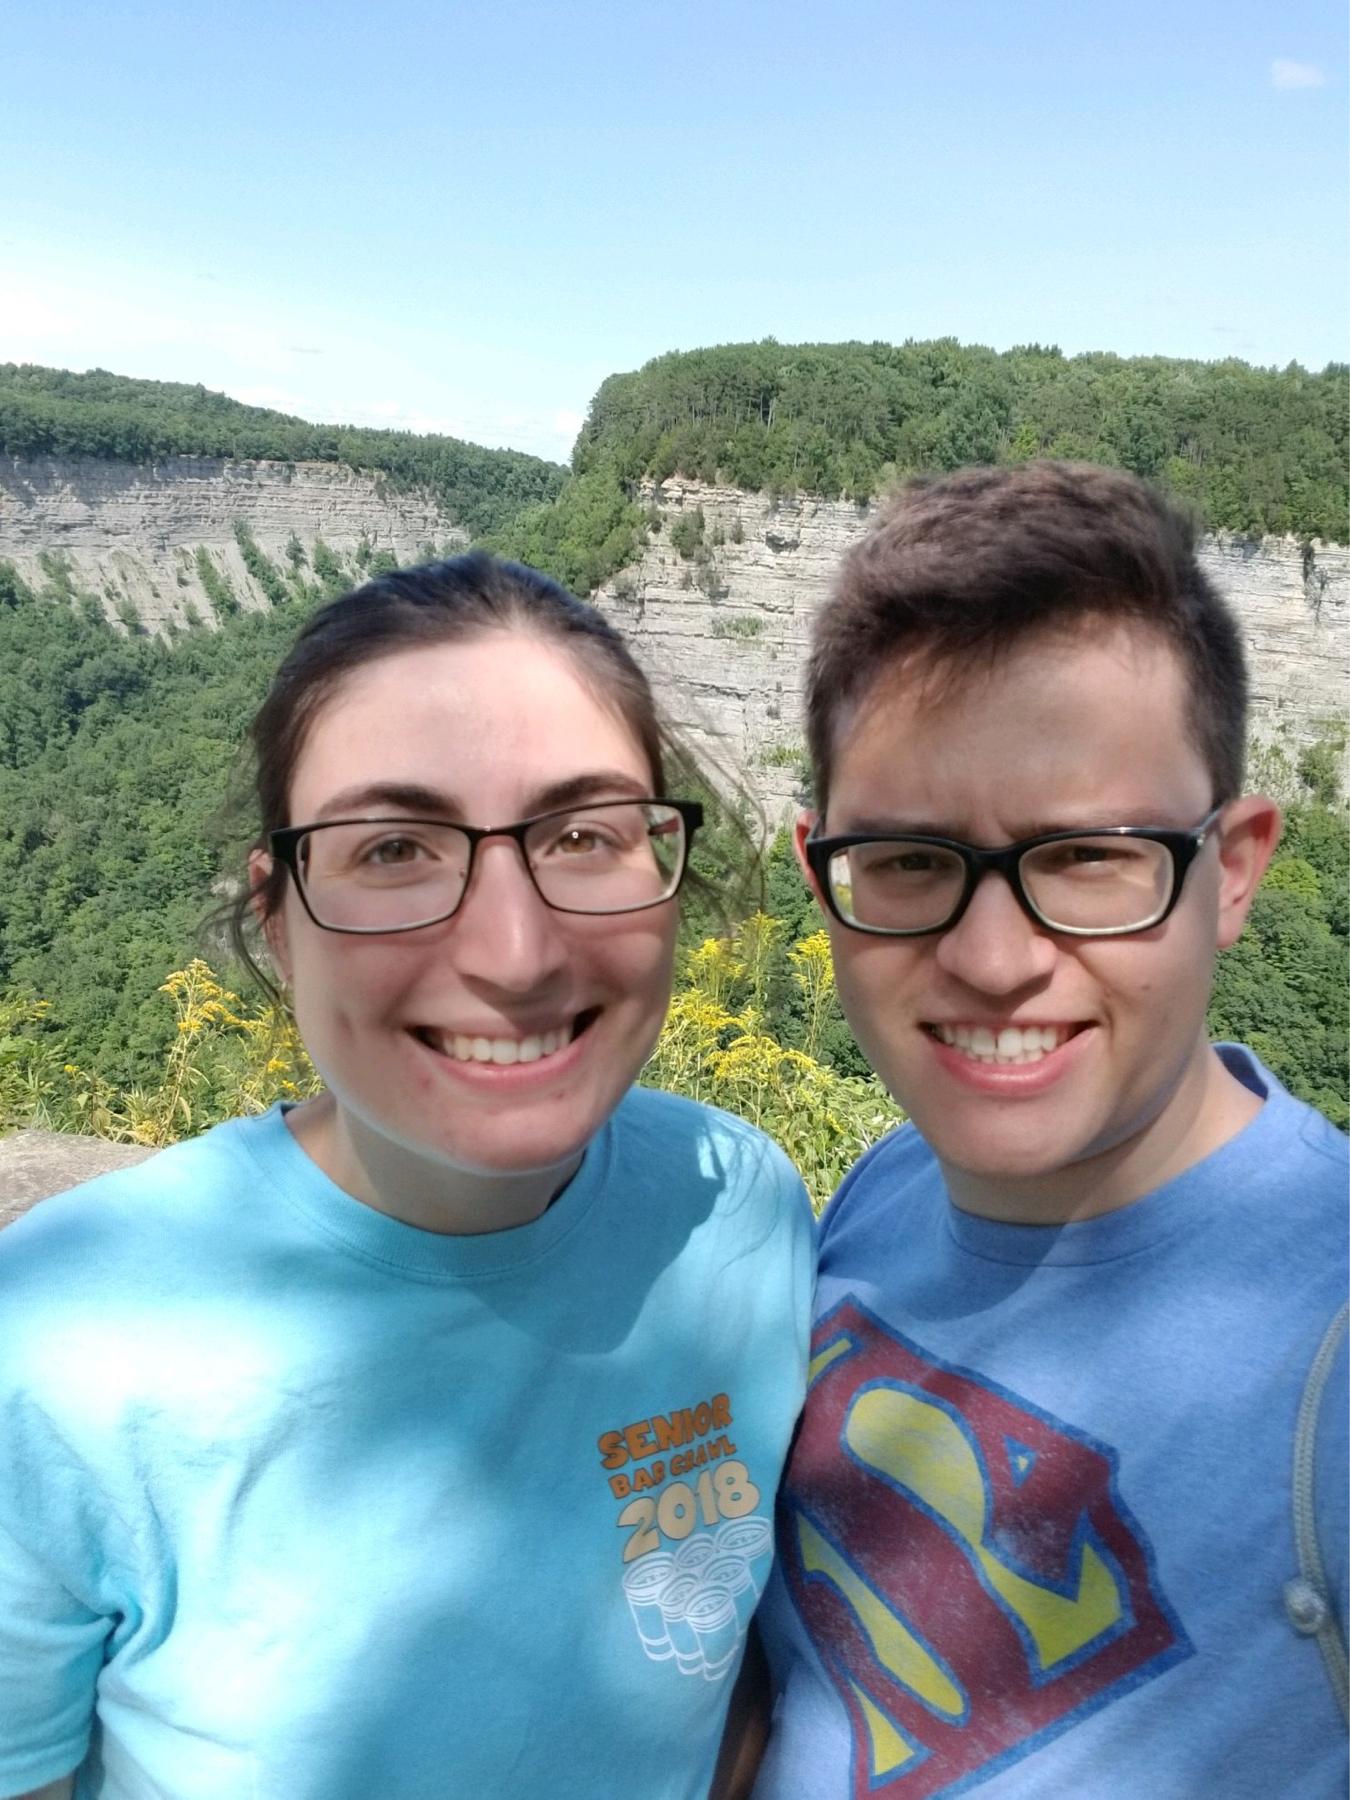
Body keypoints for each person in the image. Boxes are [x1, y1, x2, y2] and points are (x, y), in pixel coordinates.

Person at [0, 553, 814, 1800]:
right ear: (278, 915)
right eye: (395, 849)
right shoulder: (57, 1349)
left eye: (585, 834)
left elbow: (726, 1681)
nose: (514, 952)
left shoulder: (738, 1210)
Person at [751, 463, 1348, 1797]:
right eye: (907, 861)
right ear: (820, 877)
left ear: (1231, 870)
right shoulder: (889, 1184)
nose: (991, 959)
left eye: (1083, 859)